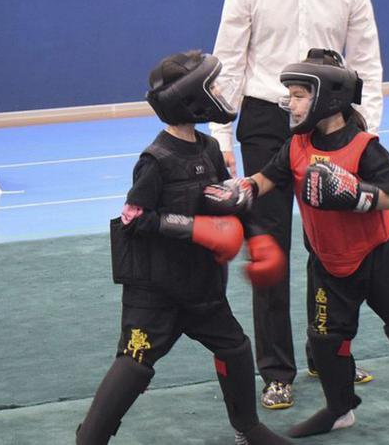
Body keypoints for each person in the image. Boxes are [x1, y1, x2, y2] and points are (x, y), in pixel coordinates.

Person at [244, 49, 389, 438]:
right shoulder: (296, 145)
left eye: (299, 95)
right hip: (328, 263)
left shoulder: (364, 146)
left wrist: (351, 193)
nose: (291, 105)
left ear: (328, 99)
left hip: (376, 257)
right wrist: (241, 191)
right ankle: (339, 408)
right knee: (326, 338)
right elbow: (268, 177)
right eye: (290, 96)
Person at [76, 50, 292, 445]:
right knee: (134, 363)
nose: (218, 92)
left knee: (236, 348)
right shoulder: (155, 160)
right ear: (190, 98)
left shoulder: (209, 150)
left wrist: (257, 236)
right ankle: (89, 439)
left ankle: (248, 428)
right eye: (210, 86)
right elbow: (133, 217)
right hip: (155, 291)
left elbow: (228, 199)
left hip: (201, 287)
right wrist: (197, 229)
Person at [211, 0, 383, 409]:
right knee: (269, 249)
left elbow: (366, 62)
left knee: (328, 245)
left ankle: (324, 353)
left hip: (330, 122)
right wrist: (220, 134)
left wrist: (365, 134)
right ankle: (275, 372)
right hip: (266, 120)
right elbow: (228, 60)